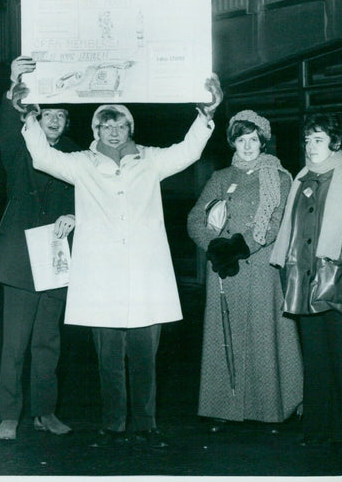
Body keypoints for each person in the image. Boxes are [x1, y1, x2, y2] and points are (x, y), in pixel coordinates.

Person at [14, 75, 223, 448]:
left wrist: (207, 114)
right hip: (102, 277)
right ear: (96, 129)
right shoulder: (81, 163)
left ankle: (146, 423)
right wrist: (28, 117)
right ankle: (113, 423)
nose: (113, 131)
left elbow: (189, 151)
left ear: (130, 128)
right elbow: (43, 156)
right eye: (105, 124)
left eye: (120, 124)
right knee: (108, 354)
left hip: (145, 274)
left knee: (145, 353)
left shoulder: (152, 160)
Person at [186, 110, 302, 432]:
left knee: (265, 336)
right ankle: (222, 406)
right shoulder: (220, 177)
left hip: (261, 266)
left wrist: (243, 246)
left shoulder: (280, 177)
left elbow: (278, 220)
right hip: (225, 269)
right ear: (233, 142)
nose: (248, 146)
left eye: (253, 139)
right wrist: (215, 246)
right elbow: (195, 218)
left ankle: (271, 410)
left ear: (263, 141)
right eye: (241, 139)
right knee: (224, 336)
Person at [270, 113, 342, 450]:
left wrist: (335, 257)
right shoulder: (301, 181)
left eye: (317, 139)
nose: (310, 145)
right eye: (307, 139)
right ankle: (316, 430)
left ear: (335, 142)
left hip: (339, 287)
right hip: (303, 288)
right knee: (315, 363)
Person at [0, 56, 79, 441]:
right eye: (47, 113)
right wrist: (13, 85)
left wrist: (76, 216)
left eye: (60, 114)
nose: (54, 120)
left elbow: (89, 195)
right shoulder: (19, 148)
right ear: (35, 118)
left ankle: (45, 412)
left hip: (57, 253)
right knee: (15, 342)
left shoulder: (77, 154)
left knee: (48, 341)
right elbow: (5, 128)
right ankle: (9, 414)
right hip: (21, 255)